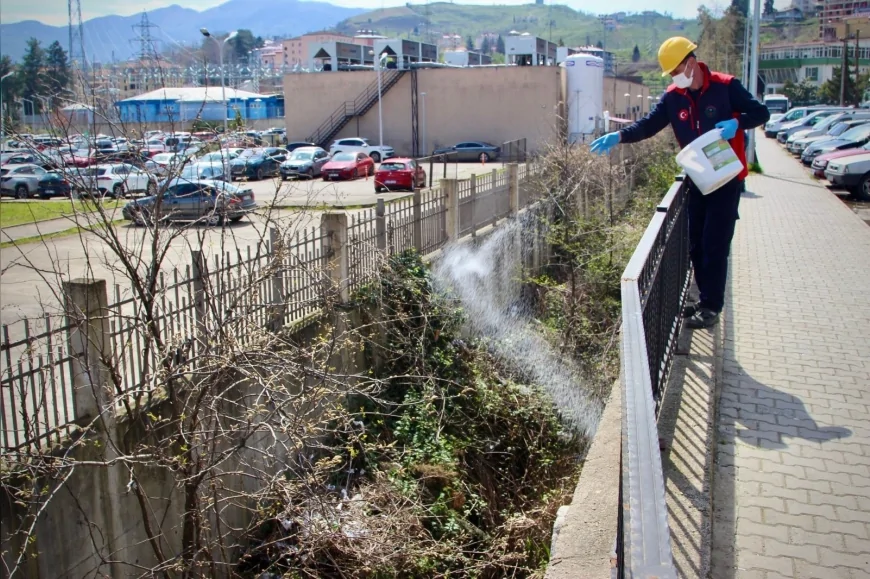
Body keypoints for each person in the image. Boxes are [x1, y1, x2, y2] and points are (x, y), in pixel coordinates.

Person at [590, 37, 769, 329]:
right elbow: (647, 124)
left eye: (676, 71)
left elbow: (761, 113)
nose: (675, 78)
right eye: (671, 74)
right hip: (698, 178)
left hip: (726, 178)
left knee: (715, 243)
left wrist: (738, 122)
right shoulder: (674, 97)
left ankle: (712, 306)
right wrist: (619, 137)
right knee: (696, 242)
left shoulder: (726, 86)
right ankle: (704, 300)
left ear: (691, 63)